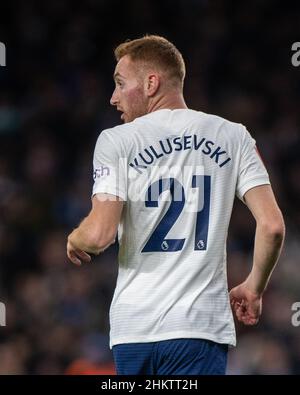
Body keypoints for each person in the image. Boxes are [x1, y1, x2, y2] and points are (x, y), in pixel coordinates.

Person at [67, 35, 285, 375]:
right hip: (198, 328)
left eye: (121, 84)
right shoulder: (233, 136)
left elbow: (98, 235)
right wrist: (254, 287)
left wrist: (75, 238)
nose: (113, 98)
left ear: (151, 83)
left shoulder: (116, 141)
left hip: (134, 330)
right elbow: (272, 226)